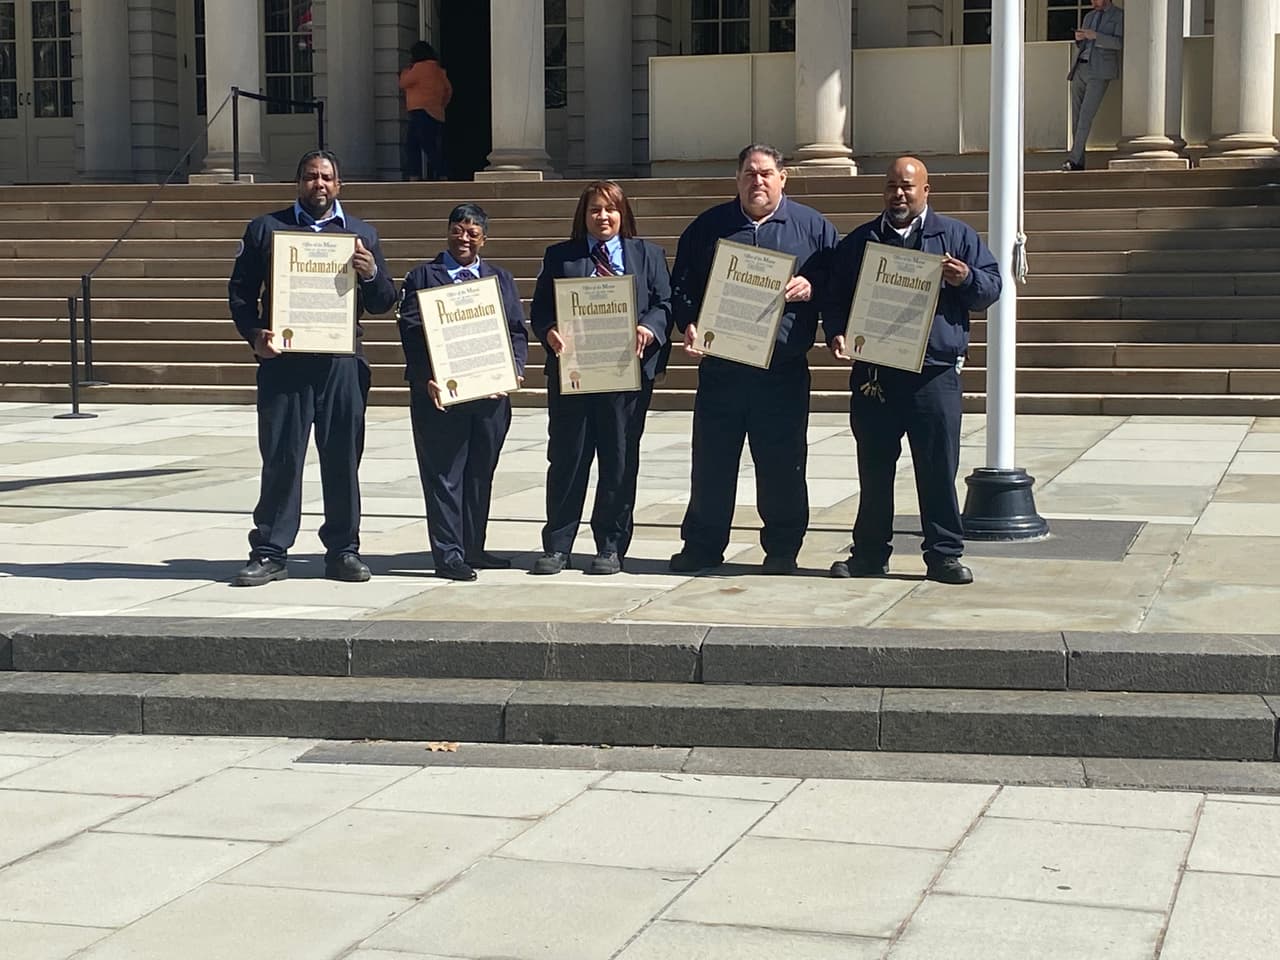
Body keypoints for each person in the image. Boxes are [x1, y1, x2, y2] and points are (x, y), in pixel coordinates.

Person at [823, 156, 1001, 585]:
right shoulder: (862, 241)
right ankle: (868, 554)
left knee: (937, 469)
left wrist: (965, 278)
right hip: (876, 375)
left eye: (906, 187)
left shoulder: (955, 236)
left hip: (933, 375)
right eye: (890, 187)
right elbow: (836, 297)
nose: (897, 194)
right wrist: (837, 333)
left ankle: (943, 556)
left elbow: (991, 288)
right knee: (874, 468)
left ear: (926, 190)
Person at [228, 149, 397, 587]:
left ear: (338, 185)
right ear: (298, 183)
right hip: (285, 363)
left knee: (342, 459)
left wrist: (372, 271)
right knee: (282, 457)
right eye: (309, 177)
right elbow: (242, 293)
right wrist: (255, 336)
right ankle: (270, 551)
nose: (318, 185)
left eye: (326, 178)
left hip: (341, 364)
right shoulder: (268, 229)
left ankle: (343, 550)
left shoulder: (360, 234)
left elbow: (382, 303)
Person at [667, 144, 837, 576]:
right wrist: (688, 323)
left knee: (782, 462)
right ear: (737, 178)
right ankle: (703, 545)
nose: (757, 182)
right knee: (712, 461)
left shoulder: (813, 229)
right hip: (722, 369)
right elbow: (682, 287)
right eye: (748, 174)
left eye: (765, 174)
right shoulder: (709, 228)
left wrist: (812, 286)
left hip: (781, 371)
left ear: (783, 177)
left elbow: (840, 283)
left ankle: (782, 548)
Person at [528, 181, 673, 575]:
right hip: (574, 376)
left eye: (610, 209)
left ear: (623, 214)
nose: (603, 216)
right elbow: (541, 310)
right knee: (567, 460)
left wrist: (649, 327)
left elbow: (664, 302)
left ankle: (610, 544)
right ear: (584, 216)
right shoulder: (561, 256)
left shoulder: (647, 255)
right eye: (595, 210)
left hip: (625, 377)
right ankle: (558, 545)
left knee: (619, 461)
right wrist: (549, 331)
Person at [395, 203, 528, 581]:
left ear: (484, 239)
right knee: (444, 476)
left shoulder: (499, 278)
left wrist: (513, 370)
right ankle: (449, 554)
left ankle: (474, 546)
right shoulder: (423, 276)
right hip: (440, 396)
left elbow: (516, 331)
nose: (464, 238)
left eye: (473, 232)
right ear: (448, 231)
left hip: (489, 398)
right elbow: (411, 333)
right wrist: (426, 379)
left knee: (479, 473)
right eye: (458, 230)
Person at [1063, 0, 1124, 171]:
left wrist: (1096, 36)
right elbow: (1083, 44)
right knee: (1075, 117)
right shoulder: (1089, 16)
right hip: (1080, 68)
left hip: (1099, 72)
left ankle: (1073, 159)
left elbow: (1118, 43)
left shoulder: (1118, 16)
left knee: (1085, 117)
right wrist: (1080, 38)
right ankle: (1078, 160)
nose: (1092, 2)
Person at [399, 41, 451, 181]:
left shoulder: (418, 68)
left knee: (413, 145)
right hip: (436, 113)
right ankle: (442, 174)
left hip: (419, 111)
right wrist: (440, 105)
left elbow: (404, 83)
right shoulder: (438, 70)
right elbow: (448, 91)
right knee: (431, 145)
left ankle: (415, 175)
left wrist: (405, 71)